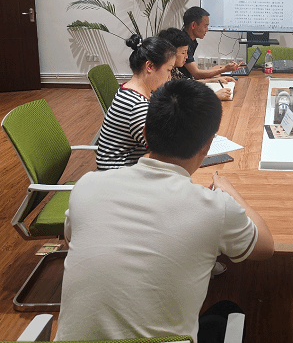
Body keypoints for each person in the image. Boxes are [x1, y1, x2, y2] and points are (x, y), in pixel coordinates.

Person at [56, 79, 275, 343]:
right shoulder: (215, 207)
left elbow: (71, 240)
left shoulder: (86, 185)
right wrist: (230, 192)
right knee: (227, 311)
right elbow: (266, 247)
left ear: (145, 134)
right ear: (207, 147)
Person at [96, 34, 175, 171]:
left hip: (123, 168)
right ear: (149, 66)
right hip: (118, 175)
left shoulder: (131, 89)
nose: (169, 77)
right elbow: (163, 150)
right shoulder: (136, 105)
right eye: (168, 70)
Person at [158, 27, 234, 101]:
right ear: (170, 53)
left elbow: (187, 83)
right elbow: (178, 100)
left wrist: (214, 80)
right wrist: (213, 96)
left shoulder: (174, 69)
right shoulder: (162, 74)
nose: (186, 57)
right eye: (183, 53)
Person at [179, 6, 240, 79]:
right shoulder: (182, 43)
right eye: (205, 26)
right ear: (193, 25)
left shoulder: (191, 41)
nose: (207, 30)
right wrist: (224, 70)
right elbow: (196, 74)